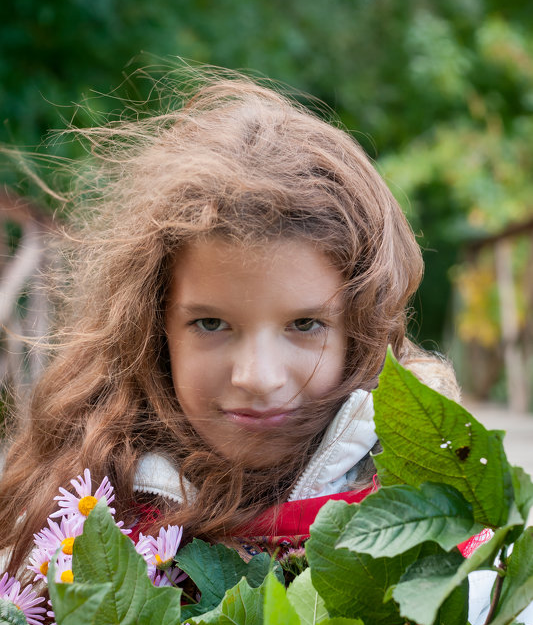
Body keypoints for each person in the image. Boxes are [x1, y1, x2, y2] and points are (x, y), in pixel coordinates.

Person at [0, 73, 459, 575]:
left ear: (361, 330)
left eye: (305, 324)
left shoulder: (438, 501)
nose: (259, 377)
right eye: (212, 323)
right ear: (154, 331)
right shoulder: (78, 517)